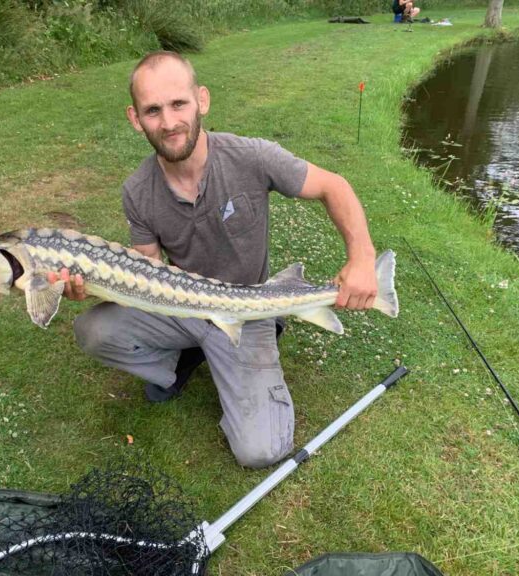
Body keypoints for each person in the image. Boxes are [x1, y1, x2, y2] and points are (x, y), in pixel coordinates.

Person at [48, 51, 378, 469]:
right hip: (182, 306)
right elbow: (146, 272)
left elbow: (335, 187)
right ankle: (184, 357)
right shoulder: (137, 191)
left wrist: (362, 258)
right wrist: (90, 287)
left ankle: (237, 346)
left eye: (178, 104)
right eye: (153, 111)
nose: (168, 123)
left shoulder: (252, 156)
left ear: (201, 100)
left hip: (249, 307)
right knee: (94, 329)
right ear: (135, 119)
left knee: (261, 450)